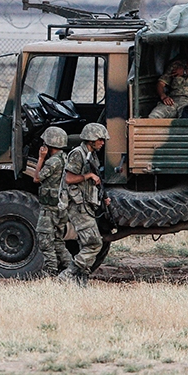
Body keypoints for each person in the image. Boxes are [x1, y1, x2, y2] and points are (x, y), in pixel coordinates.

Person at [58, 122, 110, 287]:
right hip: (77, 205)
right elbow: (69, 179)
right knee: (94, 243)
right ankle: (69, 274)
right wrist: (88, 176)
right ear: (91, 139)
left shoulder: (91, 154)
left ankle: (81, 281)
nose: (102, 143)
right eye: (100, 140)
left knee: (85, 244)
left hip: (87, 204)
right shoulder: (78, 154)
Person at [33, 126, 72, 278]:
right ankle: (71, 268)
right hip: (61, 205)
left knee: (44, 240)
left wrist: (41, 158)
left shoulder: (52, 162)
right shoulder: (65, 157)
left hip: (50, 207)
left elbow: (37, 178)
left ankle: (50, 270)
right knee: (57, 241)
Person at [148, 40, 188, 119]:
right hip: (173, 101)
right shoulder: (176, 65)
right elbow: (161, 83)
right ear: (187, 49)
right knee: (153, 117)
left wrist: (184, 71)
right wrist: (163, 96)